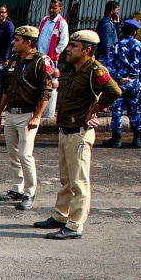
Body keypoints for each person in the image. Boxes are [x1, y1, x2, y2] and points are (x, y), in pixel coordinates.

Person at [33, 29, 119, 241]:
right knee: (66, 179)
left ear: (87, 50)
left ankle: (75, 224)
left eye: (73, 46)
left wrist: (94, 110)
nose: (68, 49)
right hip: (66, 131)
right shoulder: (78, 69)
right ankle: (61, 216)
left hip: (79, 133)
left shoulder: (95, 70)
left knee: (78, 181)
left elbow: (114, 91)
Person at [0, 25, 52, 210]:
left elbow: (46, 92)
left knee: (25, 154)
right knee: (13, 154)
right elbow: (6, 89)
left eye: (17, 40)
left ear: (28, 43)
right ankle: (17, 188)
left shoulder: (41, 61)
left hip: (28, 114)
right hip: (11, 113)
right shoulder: (13, 61)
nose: (13, 42)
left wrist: (37, 117)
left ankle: (30, 192)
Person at [103, 19, 141, 148]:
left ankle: (116, 139)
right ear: (134, 31)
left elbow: (109, 67)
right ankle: (137, 138)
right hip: (135, 81)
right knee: (134, 110)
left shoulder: (116, 46)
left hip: (119, 82)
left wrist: (118, 77)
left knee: (117, 110)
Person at [37, 0, 69, 64]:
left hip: (50, 58)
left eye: (54, 8)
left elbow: (64, 41)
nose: (51, 10)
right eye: (50, 7)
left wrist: (55, 52)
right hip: (39, 55)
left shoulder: (62, 23)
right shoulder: (44, 20)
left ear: (60, 9)